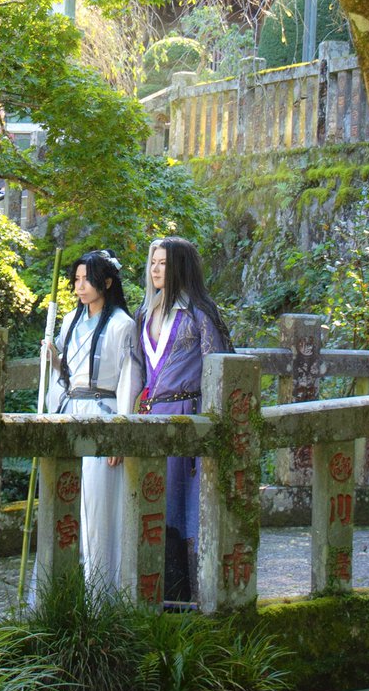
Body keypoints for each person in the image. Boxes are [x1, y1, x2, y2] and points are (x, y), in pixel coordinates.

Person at [135, 236, 233, 603]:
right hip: (152, 416)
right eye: (153, 262)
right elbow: (137, 371)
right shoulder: (145, 313)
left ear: (180, 267)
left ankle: (193, 593)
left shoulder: (198, 314)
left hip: (188, 415)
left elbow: (218, 367)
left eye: (163, 263)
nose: (155, 269)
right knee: (154, 501)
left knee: (186, 506)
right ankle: (156, 591)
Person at [46, 249, 142, 592]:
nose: (80, 287)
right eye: (76, 280)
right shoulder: (70, 320)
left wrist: (120, 432)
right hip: (71, 412)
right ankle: (61, 590)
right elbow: (65, 373)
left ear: (108, 282)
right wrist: (52, 357)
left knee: (99, 507)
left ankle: (102, 592)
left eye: (87, 280)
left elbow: (129, 379)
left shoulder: (122, 325)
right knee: (63, 500)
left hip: (103, 416)